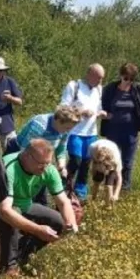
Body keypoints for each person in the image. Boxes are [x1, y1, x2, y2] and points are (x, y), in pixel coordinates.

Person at [0, 139, 78, 276]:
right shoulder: (8, 167)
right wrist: (37, 230)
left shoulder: (48, 168)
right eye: (41, 164)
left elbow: (63, 201)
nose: (45, 168)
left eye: (48, 163)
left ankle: (22, 255)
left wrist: (71, 223)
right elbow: (4, 210)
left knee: (58, 222)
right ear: (26, 156)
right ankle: (9, 266)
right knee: (13, 215)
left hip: (26, 205)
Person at [100, 63, 140, 192]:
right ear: (121, 75)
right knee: (110, 161)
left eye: (131, 79)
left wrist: (139, 116)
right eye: (126, 78)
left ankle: (125, 189)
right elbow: (101, 104)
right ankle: (109, 188)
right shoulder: (111, 89)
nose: (128, 81)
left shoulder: (138, 89)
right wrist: (105, 114)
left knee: (127, 162)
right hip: (112, 131)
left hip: (130, 131)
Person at [60, 64, 107, 201]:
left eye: (102, 79)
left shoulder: (99, 89)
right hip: (74, 131)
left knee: (86, 162)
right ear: (89, 74)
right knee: (76, 159)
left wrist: (101, 113)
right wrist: (81, 112)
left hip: (91, 132)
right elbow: (63, 107)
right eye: (98, 78)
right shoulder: (74, 86)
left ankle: (80, 191)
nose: (100, 81)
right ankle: (64, 185)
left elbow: (98, 107)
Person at [89, 138, 123, 204]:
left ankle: (109, 205)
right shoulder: (92, 149)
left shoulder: (116, 159)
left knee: (109, 186)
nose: (105, 170)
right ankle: (93, 200)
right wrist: (94, 174)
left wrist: (116, 194)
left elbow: (119, 177)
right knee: (96, 182)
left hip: (111, 162)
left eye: (106, 166)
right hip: (97, 156)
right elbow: (93, 165)